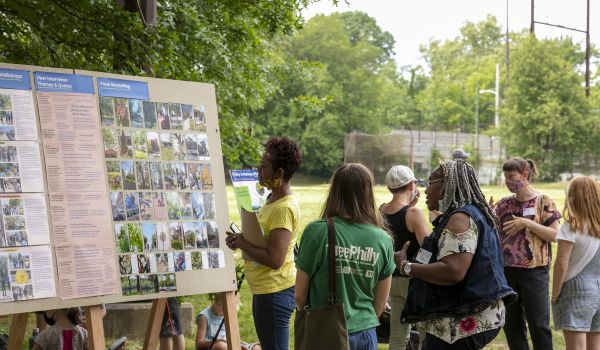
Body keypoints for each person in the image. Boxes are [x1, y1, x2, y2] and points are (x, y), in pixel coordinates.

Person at [396, 159, 516, 349]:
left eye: (430, 183)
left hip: (463, 319)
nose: (425, 190)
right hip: (466, 311)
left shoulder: (460, 218)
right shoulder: (471, 213)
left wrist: (406, 266)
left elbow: (453, 271)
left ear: (446, 183)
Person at [295, 163, 395, 350]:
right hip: (366, 333)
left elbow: (300, 296)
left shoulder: (318, 231)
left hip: (325, 331)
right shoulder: (383, 239)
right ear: (367, 193)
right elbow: (380, 304)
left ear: (334, 191)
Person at [225, 136, 302, 350]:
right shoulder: (271, 199)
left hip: (275, 292)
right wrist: (242, 238)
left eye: (265, 166)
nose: (259, 170)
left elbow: (275, 259)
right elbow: (264, 241)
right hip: (265, 291)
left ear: (279, 173)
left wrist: (242, 243)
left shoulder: (283, 208)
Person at [495, 158, 560, 350]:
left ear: (525, 174)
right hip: (507, 272)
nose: (508, 181)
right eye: (505, 177)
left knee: (538, 325)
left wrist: (527, 223)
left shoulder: (544, 201)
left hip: (535, 272)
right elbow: (493, 232)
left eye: (512, 176)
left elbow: (555, 235)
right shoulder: (503, 204)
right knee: (512, 326)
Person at [380, 165, 429, 349]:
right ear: (411, 185)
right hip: (413, 278)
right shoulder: (413, 213)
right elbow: (428, 246)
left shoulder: (381, 210)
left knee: (398, 336)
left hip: (391, 280)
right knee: (425, 335)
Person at [552, 176, 600, 350]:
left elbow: (561, 264)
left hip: (576, 290)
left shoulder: (572, 225)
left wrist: (555, 295)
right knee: (595, 344)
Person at [195, 293, 262, 350]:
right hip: (213, 346)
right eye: (224, 310)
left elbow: (230, 337)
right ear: (216, 303)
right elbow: (199, 344)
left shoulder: (226, 313)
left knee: (256, 348)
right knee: (221, 346)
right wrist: (216, 341)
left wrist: (242, 343)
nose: (226, 313)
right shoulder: (204, 317)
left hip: (227, 344)